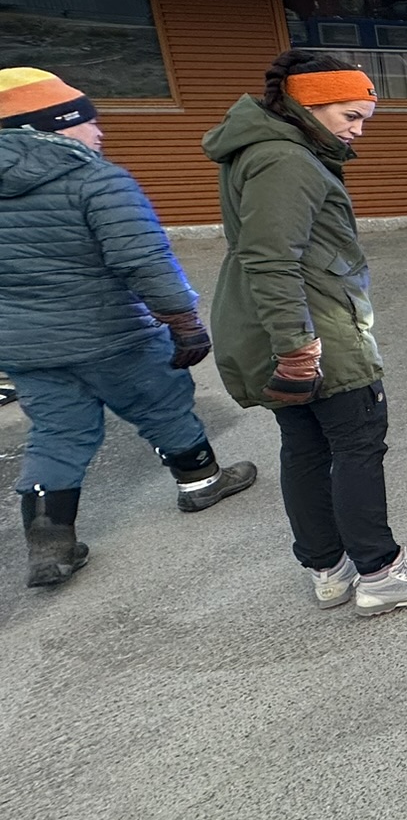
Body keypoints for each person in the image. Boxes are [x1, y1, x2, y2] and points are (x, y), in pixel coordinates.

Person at [202, 51, 407, 615]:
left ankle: (329, 569)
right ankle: (381, 573)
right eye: (351, 115)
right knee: (356, 443)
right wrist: (297, 348)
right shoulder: (285, 159)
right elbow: (272, 258)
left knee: (306, 447)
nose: (358, 130)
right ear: (309, 104)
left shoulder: (264, 147)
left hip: (280, 320)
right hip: (316, 327)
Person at [0, 68, 257, 587]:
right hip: (114, 335)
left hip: (26, 347)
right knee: (161, 404)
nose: (99, 133)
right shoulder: (96, 180)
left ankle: (50, 544)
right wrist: (183, 321)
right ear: (52, 126)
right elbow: (143, 259)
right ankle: (201, 482)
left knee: (56, 432)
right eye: (87, 122)